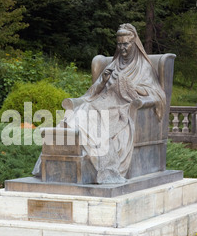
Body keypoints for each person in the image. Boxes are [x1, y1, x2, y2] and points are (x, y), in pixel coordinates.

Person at [33, 23, 166, 184]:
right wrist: (103, 80)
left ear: (134, 43)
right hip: (100, 101)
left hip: (120, 107)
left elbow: (156, 94)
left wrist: (126, 84)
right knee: (80, 113)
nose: (122, 48)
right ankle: (62, 156)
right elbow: (93, 91)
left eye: (126, 44)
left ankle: (103, 164)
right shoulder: (114, 63)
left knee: (89, 116)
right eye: (119, 44)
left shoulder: (143, 67)